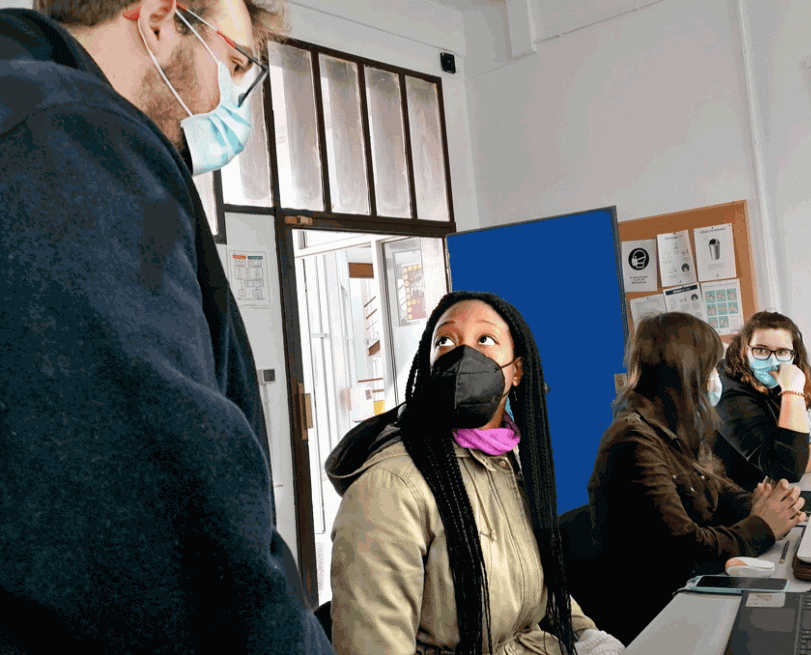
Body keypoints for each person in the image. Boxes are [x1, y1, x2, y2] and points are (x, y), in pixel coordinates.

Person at [1, 1, 331, 652]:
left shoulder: (23, 108)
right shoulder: (71, 134)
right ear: (157, 19)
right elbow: (178, 522)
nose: (231, 101)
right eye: (234, 64)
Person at [328, 291, 624, 655]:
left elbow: (543, 587)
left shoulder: (506, 465)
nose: (463, 354)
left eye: (485, 339)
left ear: (516, 371)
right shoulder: (389, 487)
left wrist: (588, 638)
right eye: (445, 341)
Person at [587, 312, 805, 644]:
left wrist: (764, 504)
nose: (717, 378)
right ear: (687, 373)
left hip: (685, 596)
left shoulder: (674, 431)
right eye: (712, 368)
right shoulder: (632, 440)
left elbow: (721, 491)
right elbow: (684, 547)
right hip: (656, 616)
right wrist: (762, 525)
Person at [714, 311, 811, 491]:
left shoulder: (796, 370)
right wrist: (792, 392)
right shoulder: (727, 388)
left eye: (782, 351)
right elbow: (787, 469)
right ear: (744, 349)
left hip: (800, 485)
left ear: (793, 354)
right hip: (750, 496)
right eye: (761, 350)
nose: (773, 360)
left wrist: (797, 462)